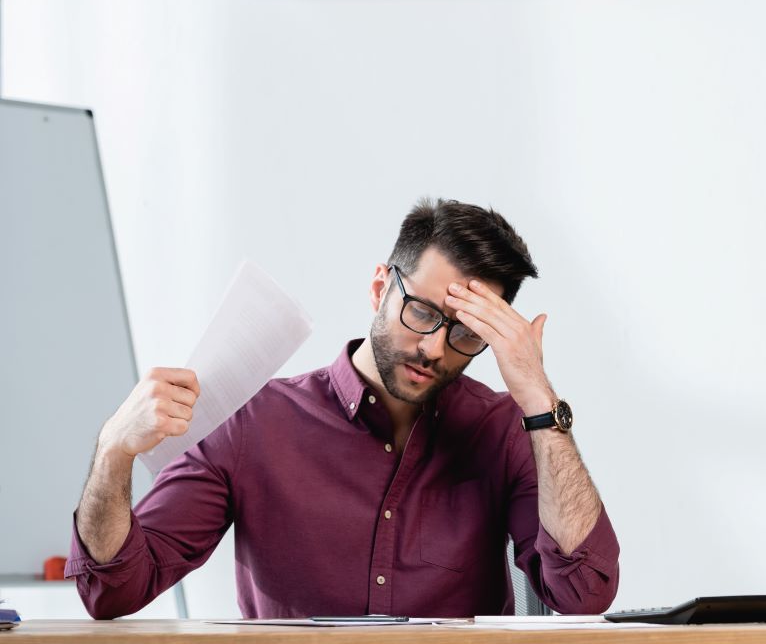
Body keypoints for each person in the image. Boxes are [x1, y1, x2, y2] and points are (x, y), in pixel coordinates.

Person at [67, 198, 619, 619]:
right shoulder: (252, 421)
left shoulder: (500, 429)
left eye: (467, 333)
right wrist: (113, 450)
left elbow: (583, 592)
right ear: (381, 287)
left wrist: (540, 401)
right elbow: (113, 589)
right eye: (422, 312)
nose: (433, 347)